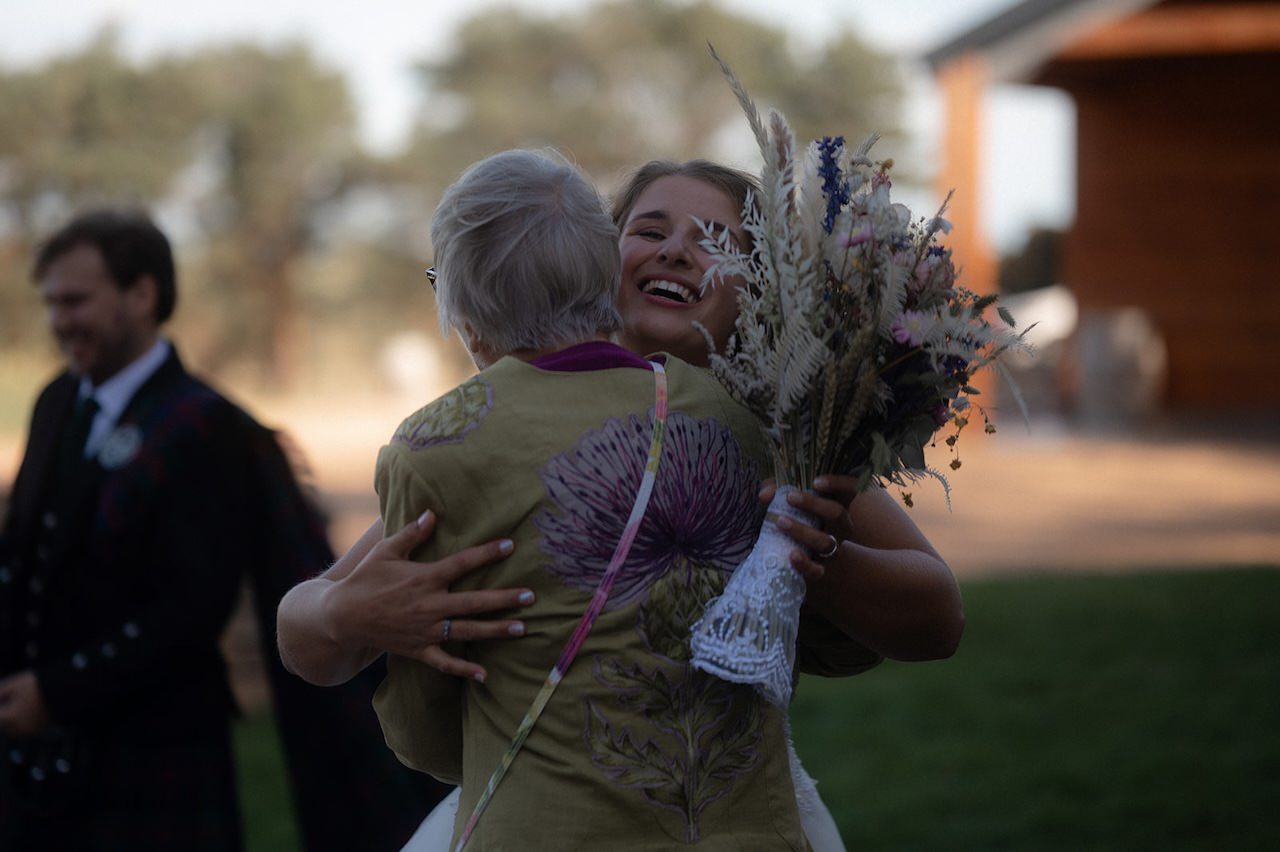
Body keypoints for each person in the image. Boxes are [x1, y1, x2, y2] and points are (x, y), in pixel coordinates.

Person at [277, 158, 963, 846]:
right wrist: (345, 612)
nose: (676, 250)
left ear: (763, 287)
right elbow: (303, 630)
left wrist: (816, 557)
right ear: (600, 261)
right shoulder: (496, 445)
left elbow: (940, 620)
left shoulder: (783, 435)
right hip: (542, 801)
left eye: (714, 239)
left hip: (729, 811)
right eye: (650, 231)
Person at [0, 207, 440, 851]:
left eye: (75, 301)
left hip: (156, 760)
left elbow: (191, 608)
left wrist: (59, 693)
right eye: (50, 303)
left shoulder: (207, 426)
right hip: (47, 759)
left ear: (141, 294)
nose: (58, 321)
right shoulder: (57, 402)